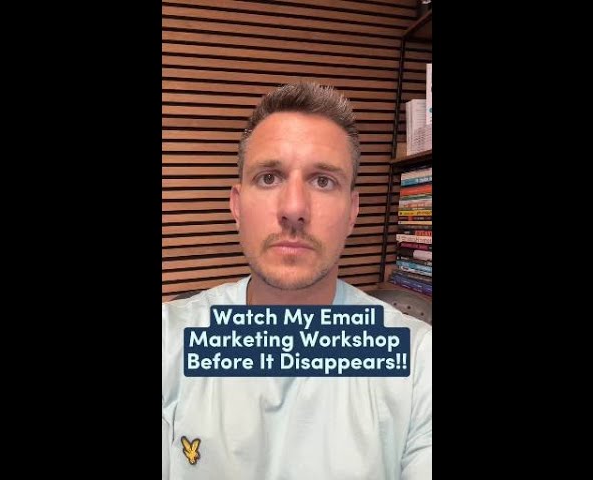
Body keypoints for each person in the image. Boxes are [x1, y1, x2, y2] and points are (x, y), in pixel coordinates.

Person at [162, 82, 432, 479]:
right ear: (237, 205)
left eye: (323, 181)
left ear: (352, 212)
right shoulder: (169, 342)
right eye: (269, 177)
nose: (293, 208)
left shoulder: (420, 363)